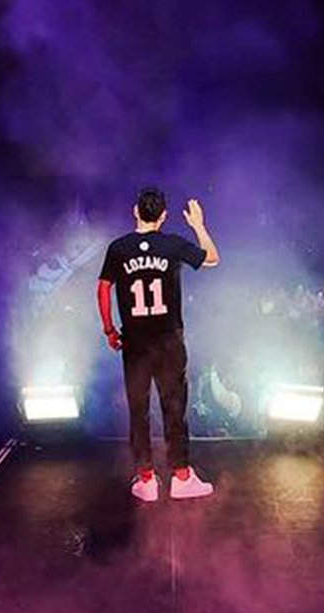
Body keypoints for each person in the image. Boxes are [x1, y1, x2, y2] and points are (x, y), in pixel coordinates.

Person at [98, 187, 220, 502]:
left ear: (135, 211)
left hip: (135, 343)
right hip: (168, 342)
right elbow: (212, 258)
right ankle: (181, 478)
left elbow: (103, 289)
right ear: (164, 216)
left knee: (138, 410)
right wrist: (198, 225)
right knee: (174, 408)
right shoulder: (172, 245)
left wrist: (110, 329)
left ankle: (147, 481)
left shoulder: (118, 248)